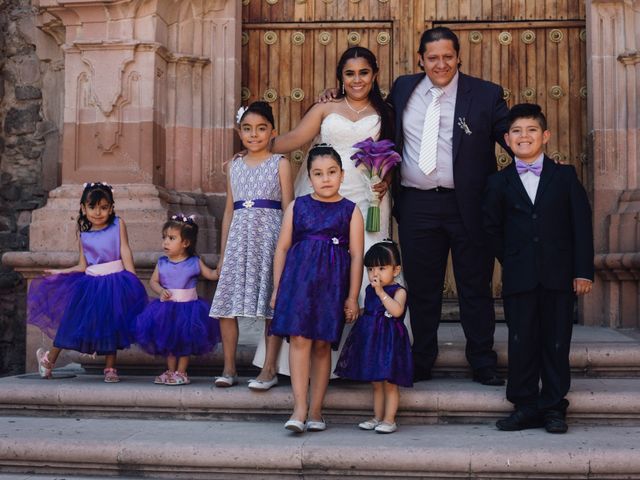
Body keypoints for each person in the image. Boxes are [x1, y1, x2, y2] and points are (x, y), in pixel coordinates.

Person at [256, 46, 397, 376]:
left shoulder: (386, 111)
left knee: (366, 272)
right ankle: (290, 362)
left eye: (364, 72)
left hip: (366, 198)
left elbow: (394, 152)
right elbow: (293, 139)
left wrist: (385, 180)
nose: (357, 79)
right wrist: (255, 147)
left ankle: (364, 363)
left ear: (374, 75)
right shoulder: (326, 107)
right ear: (340, 77)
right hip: (320, 194)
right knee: (312, 272)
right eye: (350, 73)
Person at [387, 26, 510, 385]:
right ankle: (421, 358)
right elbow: (372, 112)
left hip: (468, 206)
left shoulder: (486, 95)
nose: (441, 64)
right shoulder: (402, 88)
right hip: (417, 205)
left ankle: (482, 360)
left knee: (475, 285)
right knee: (422, 288)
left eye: (447, 57)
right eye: (433, 57)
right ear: (420, 60)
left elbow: (512, 136)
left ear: (458, 57)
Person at [483, 103, 594, 433]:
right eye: (516, 131)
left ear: (545, 136)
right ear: (506, 138)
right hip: (520, 276)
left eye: (531, 130)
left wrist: (583, 270)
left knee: (557, 341)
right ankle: (524, 405)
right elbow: (491, 229)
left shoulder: (565, 176)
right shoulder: (498, 183)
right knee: (521, 340)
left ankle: (554, 408)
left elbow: (581, 226)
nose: (524, 136)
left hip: (559, 275)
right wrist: (512, 258)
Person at [269, 145, 364, 433]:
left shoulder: (350, 211)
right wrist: (277, 289)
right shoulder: (297, 207)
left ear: (342, 175)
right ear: (309, 177)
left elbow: (358, 255)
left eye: (332, 172)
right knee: (299, 340)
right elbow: (282, 248)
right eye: (318, 173)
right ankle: (298, 408)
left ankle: (316, 410)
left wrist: (351, 296)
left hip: (331, 287)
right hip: (298, 283)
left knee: (322, 345)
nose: (326, 179)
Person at [209, 101, 293, 389]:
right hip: (238, 239)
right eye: (247, 129)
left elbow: (288, 208)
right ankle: (229, 368)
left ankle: (269, 369)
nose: (254, 135)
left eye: (261, 129)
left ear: (272, 132)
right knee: (225, 304)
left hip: (270, 237)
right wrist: (223, 254)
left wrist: (287, 249)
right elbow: (229, 210)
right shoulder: (233, 165)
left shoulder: (280, 163)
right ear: (239, 131)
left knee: (272, 304)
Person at [28, 182, 147, 383]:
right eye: (92, 207)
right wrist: (59, 272)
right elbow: (82, 265)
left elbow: (125, 250)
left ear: (111, 208)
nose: (98, 212)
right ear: (83, 208)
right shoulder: (84, 235)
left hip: (117, 281)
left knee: (113, 323)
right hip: (91, 286)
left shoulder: (118, 224)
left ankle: (110, 368)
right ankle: (49, 359)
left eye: (103, 207)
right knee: (71, 322)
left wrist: (132, 276)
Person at [335, 240, 412, 434]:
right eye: (370, 269)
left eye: (381, 268)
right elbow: (369, 309)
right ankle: (377, 416)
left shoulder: (399, 291)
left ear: (395, 270)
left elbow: (396, 311)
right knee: (376, 383)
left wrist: (381, 293)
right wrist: (355, 313)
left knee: (390, 383)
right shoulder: (369, 290)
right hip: (372, 339)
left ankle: (389, 419)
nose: (374, 274)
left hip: (390, 341)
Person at [135, 215, 221, 385]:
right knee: (169, 342)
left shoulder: (194, 262)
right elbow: (153, 281)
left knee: (185, 341)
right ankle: (170, 371)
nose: (165, 242)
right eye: (164, 237)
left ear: (185, 243)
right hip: (167, 309)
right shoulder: (162, 263)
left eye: (171, 238)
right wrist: (161, 291)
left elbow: (211, 274)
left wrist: (220, 269)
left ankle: (181, 372)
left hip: (189, 310)